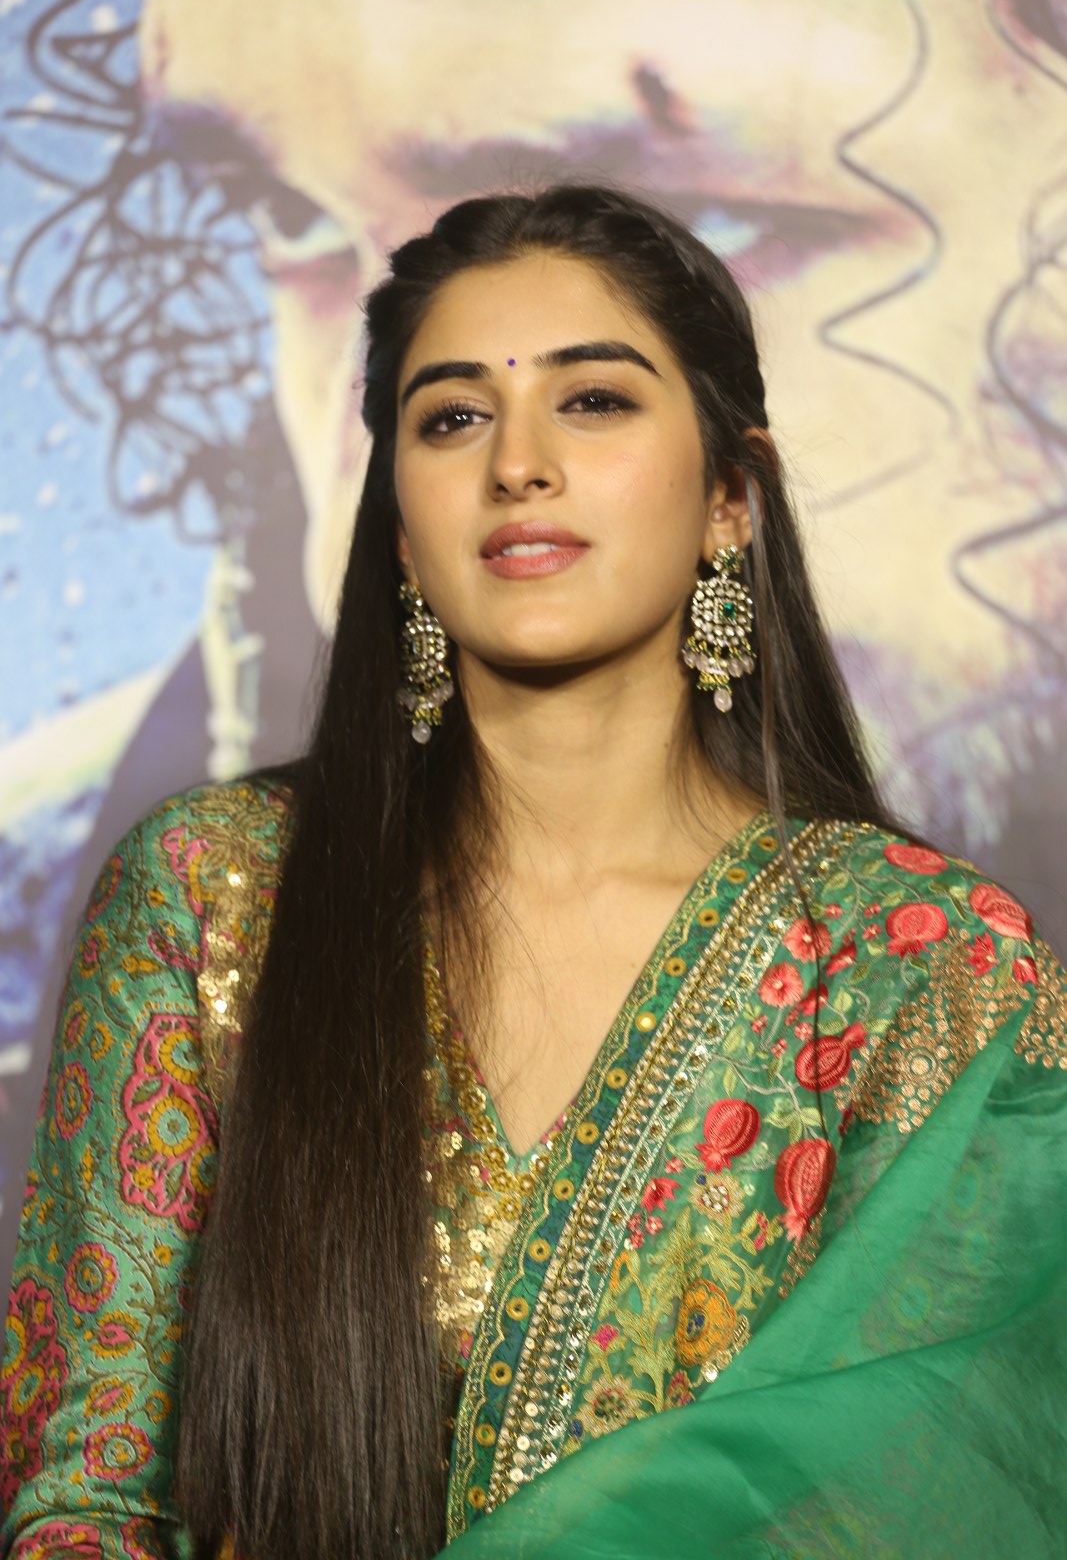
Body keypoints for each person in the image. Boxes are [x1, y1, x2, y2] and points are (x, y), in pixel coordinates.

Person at [1, 185, 1065, 1560]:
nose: (517, 464)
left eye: (595, 402)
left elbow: (954, 1498)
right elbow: (86, 1501)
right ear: (401, 529)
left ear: (730, 499)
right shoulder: (214, 899)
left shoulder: (921, 963)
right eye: (452, 418)